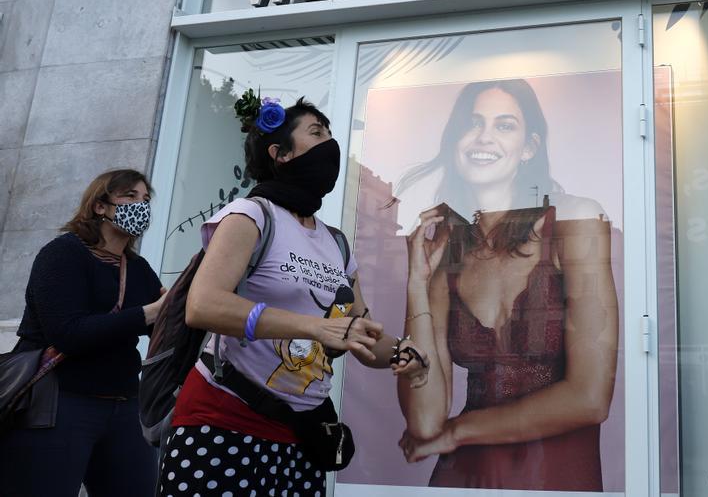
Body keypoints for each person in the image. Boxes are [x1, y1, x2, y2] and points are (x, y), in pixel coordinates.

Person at [156, 94, 427, 497]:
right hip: (224, 422)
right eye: (316, 133)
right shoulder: (251, 215)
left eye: (331, 134)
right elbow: (203, 305)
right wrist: (318, 328)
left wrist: (406, 354)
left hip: (302, 436)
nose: (330, 145)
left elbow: (359, 331)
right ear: (280, 153)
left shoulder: (335, 244)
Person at [394, 78, 619, 490]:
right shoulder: (449, 254)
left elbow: (590, 398)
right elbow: (425, 421)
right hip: (465, 476)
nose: (484, 137)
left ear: (529, 147)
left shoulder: (575, 220)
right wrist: (416, 285)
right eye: (473, 123)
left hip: (553, 472)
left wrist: (459, 431)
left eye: (504, 125)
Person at [0, 169, 166, 496]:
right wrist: (151, 311)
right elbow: (68, 333)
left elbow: (159, 327)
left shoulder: (137, 268)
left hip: (123, 406)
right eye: (130, 196)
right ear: (100, 206)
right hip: (59, 404)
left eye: (145, 199)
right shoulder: (63, 254)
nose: (141, 205)